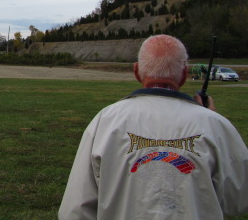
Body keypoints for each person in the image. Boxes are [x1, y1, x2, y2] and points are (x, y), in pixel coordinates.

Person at [58, 34, 248, 219]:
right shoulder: (216, 125)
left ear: (136, 71)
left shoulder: (105, 122)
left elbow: (74, 210)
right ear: (183, 74)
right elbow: (238, 200)